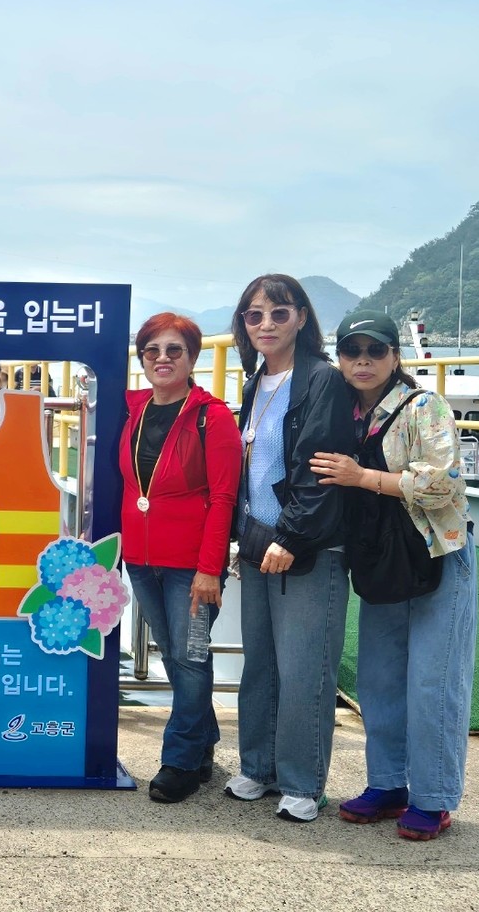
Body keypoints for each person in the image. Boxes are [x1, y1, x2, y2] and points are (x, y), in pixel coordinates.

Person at [309, 311, 477, 841]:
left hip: (434, 555)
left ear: (395, 356)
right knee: (381, 680)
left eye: (375, 351)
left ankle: (433, 797)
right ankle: (387, 783)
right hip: (380, 558)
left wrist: (365, 478)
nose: (363, 360)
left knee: (434, 681)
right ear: (339, 359)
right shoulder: (342, 412)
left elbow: (448, 484)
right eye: (352, 351)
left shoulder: (423, 405)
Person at [223, 274, 354, 823]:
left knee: (305, 668)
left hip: (308, 547)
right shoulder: (257, 385)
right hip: (258, 544)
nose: (266, 325)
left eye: (278, 313)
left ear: (301, 317)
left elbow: (318, 470)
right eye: (254, 316)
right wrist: (244, 534)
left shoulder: (321, 380)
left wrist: (292, 537)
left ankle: (302, 780)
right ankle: (258, 766)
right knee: (261, 665)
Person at [120, 314, 241, 803]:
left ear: (192, 357)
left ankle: (180, 761)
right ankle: (203, 742)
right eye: (152, 350)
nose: (162, 358)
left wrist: (210, 569)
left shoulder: (213, 417)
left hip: (192, 567)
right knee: (175, 655)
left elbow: (224, 498)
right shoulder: (132, 410)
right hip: (141, 560)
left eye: (174, 350)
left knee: (189, 659)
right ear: (142, 359)